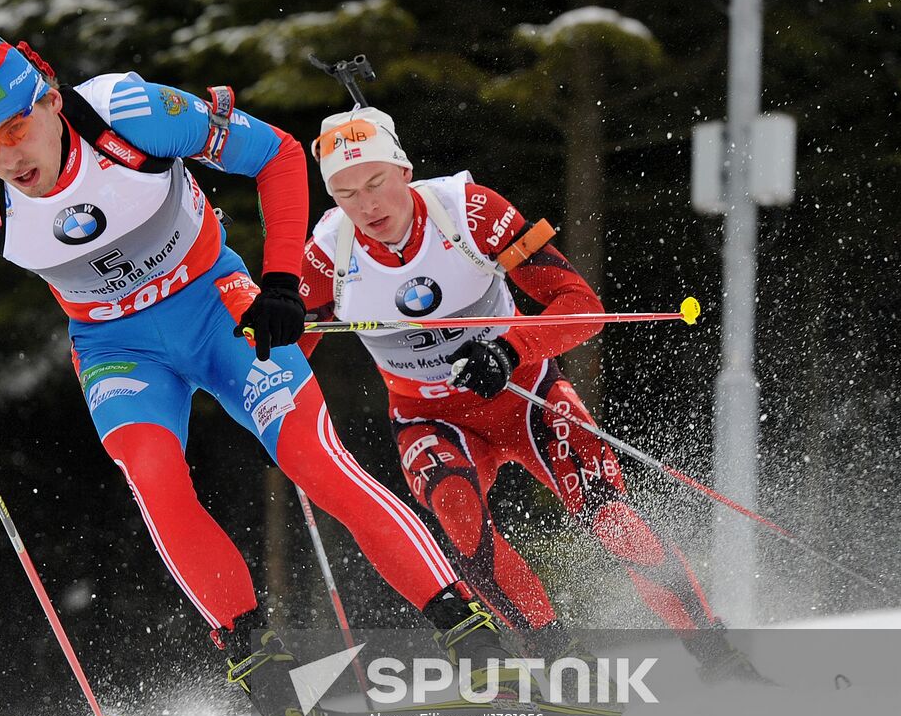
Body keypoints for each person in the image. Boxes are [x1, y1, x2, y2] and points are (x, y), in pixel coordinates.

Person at [0, 41, 531, 716]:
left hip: (218, 307)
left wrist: (283, 281)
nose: (7, 156)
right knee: (158, 483)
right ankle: (270, 684)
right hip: (116, 348)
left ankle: (475, 642)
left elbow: (279, 154)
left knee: (319, 465)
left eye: (14, 129)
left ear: (47, 99)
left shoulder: (130, 115)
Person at [296, 105, 765, 683]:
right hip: (428, 418)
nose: (367, 206)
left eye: (376, 183)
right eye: (345, 194)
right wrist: (258, 352)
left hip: (526, 395)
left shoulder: (469, 213)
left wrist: (510, 349)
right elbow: (290, 352)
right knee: (460, 520)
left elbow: (581, 306)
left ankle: (718, 658)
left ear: (405, 172)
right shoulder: (325, 258)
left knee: (611, 515)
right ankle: (562, 668)